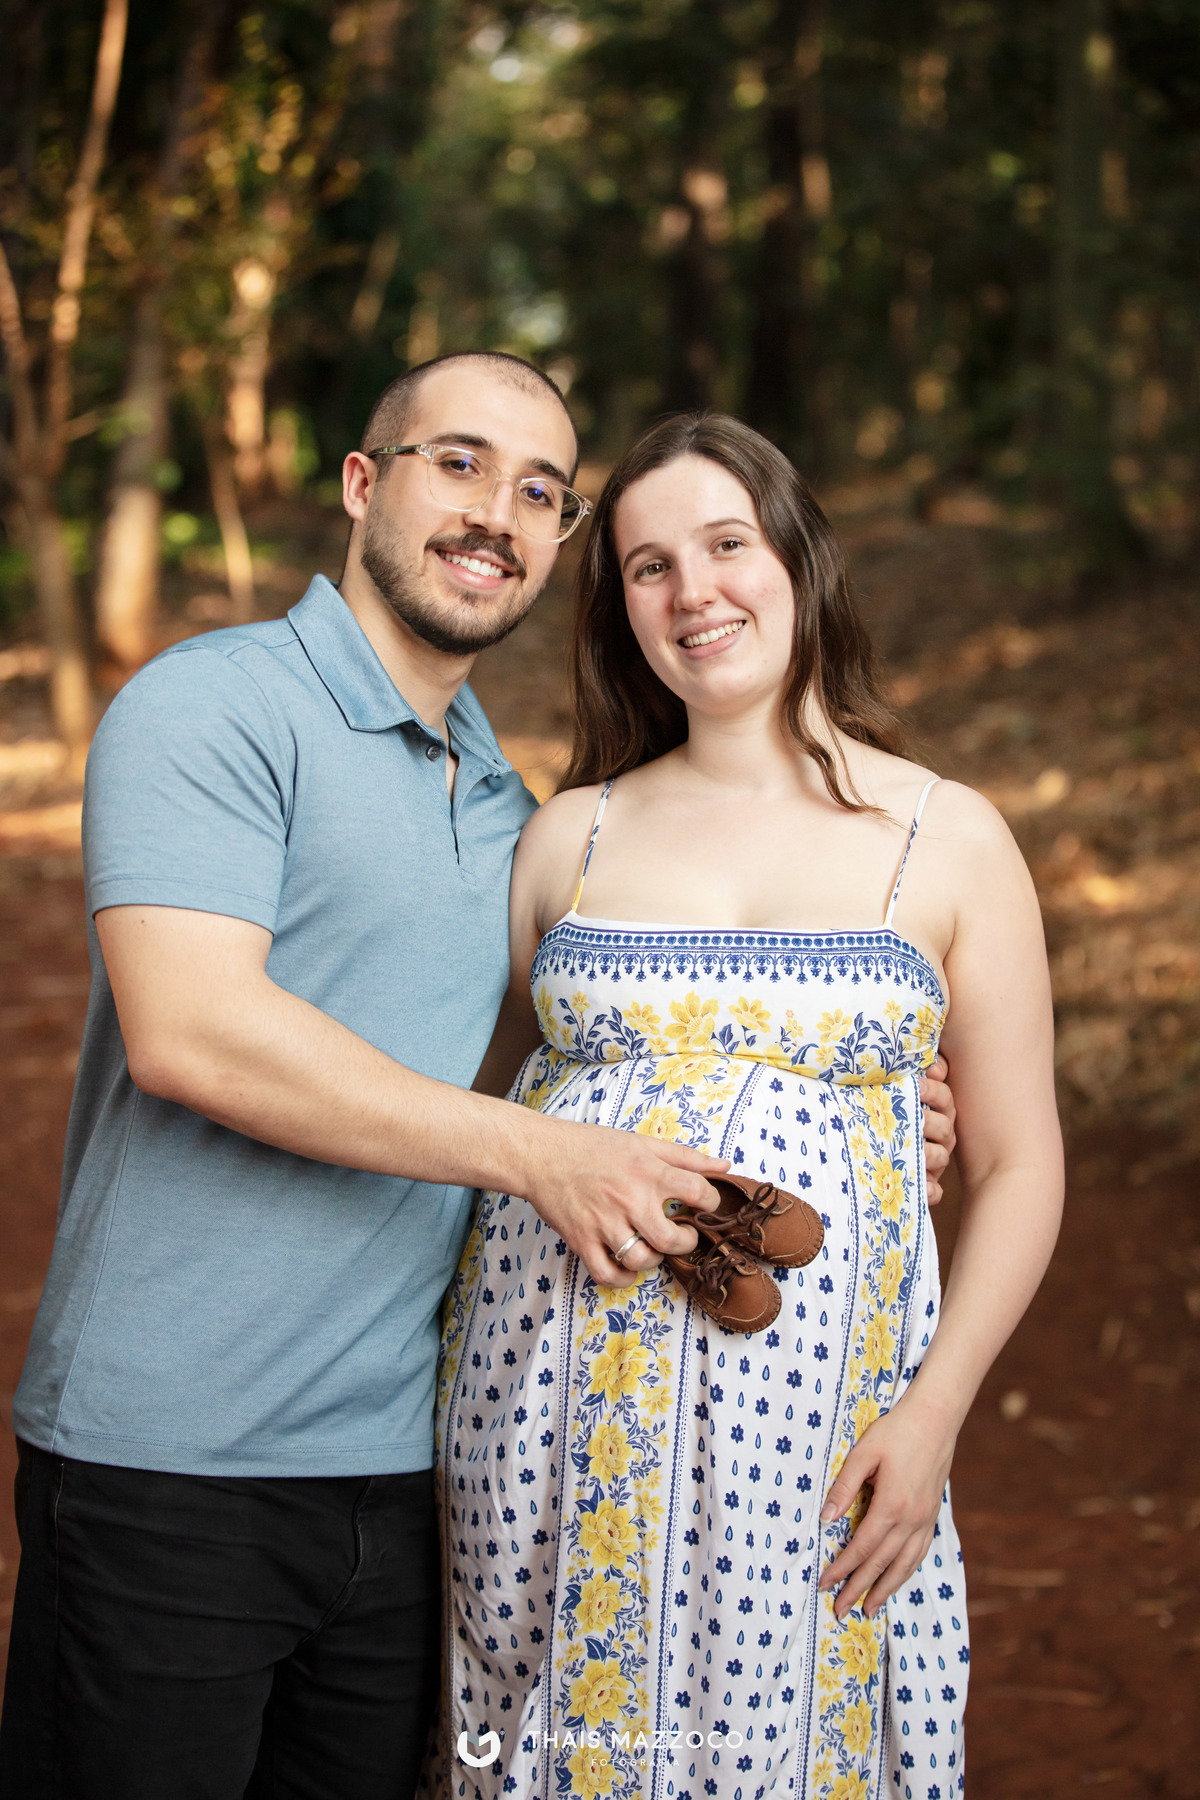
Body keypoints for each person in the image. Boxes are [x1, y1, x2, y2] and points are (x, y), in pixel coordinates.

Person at [0, 354, 955, 1800]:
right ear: (363, 483)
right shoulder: (214, 707)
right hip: (174, 1462)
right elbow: (189, 1032)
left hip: (418, 1467)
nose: (495, 513)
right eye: (458, 463)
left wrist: (856, 1113)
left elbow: (569, 1065)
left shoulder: (519, 814)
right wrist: (546, 1163)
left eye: (538, 492)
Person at [433, 413, 1063, 1800]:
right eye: (648, 567)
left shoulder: (944, 838)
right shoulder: (569, 835)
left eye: (726, 544)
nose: (692, 591)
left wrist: (937, 1411)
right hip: (547, 1429)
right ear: (621, 615)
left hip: (819, 1442)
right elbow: (494, 1116)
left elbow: (1018, 1164)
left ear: (797, 559)